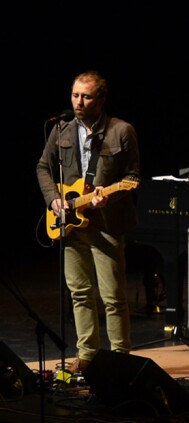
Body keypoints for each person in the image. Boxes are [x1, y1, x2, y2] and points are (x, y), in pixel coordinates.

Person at [36, 71, 140, 374]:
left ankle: (122, 358)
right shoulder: (61, 130)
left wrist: (109, 197)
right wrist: (53, 200)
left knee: (113, 298)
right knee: (79, 293)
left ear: (101, 99)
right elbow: (43, 167)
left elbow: (132, 177)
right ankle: (87, 355)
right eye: (75, 95)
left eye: (86, 96)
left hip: (106, 224)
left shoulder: (121, 131)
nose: (79, 102)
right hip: (70, 222)